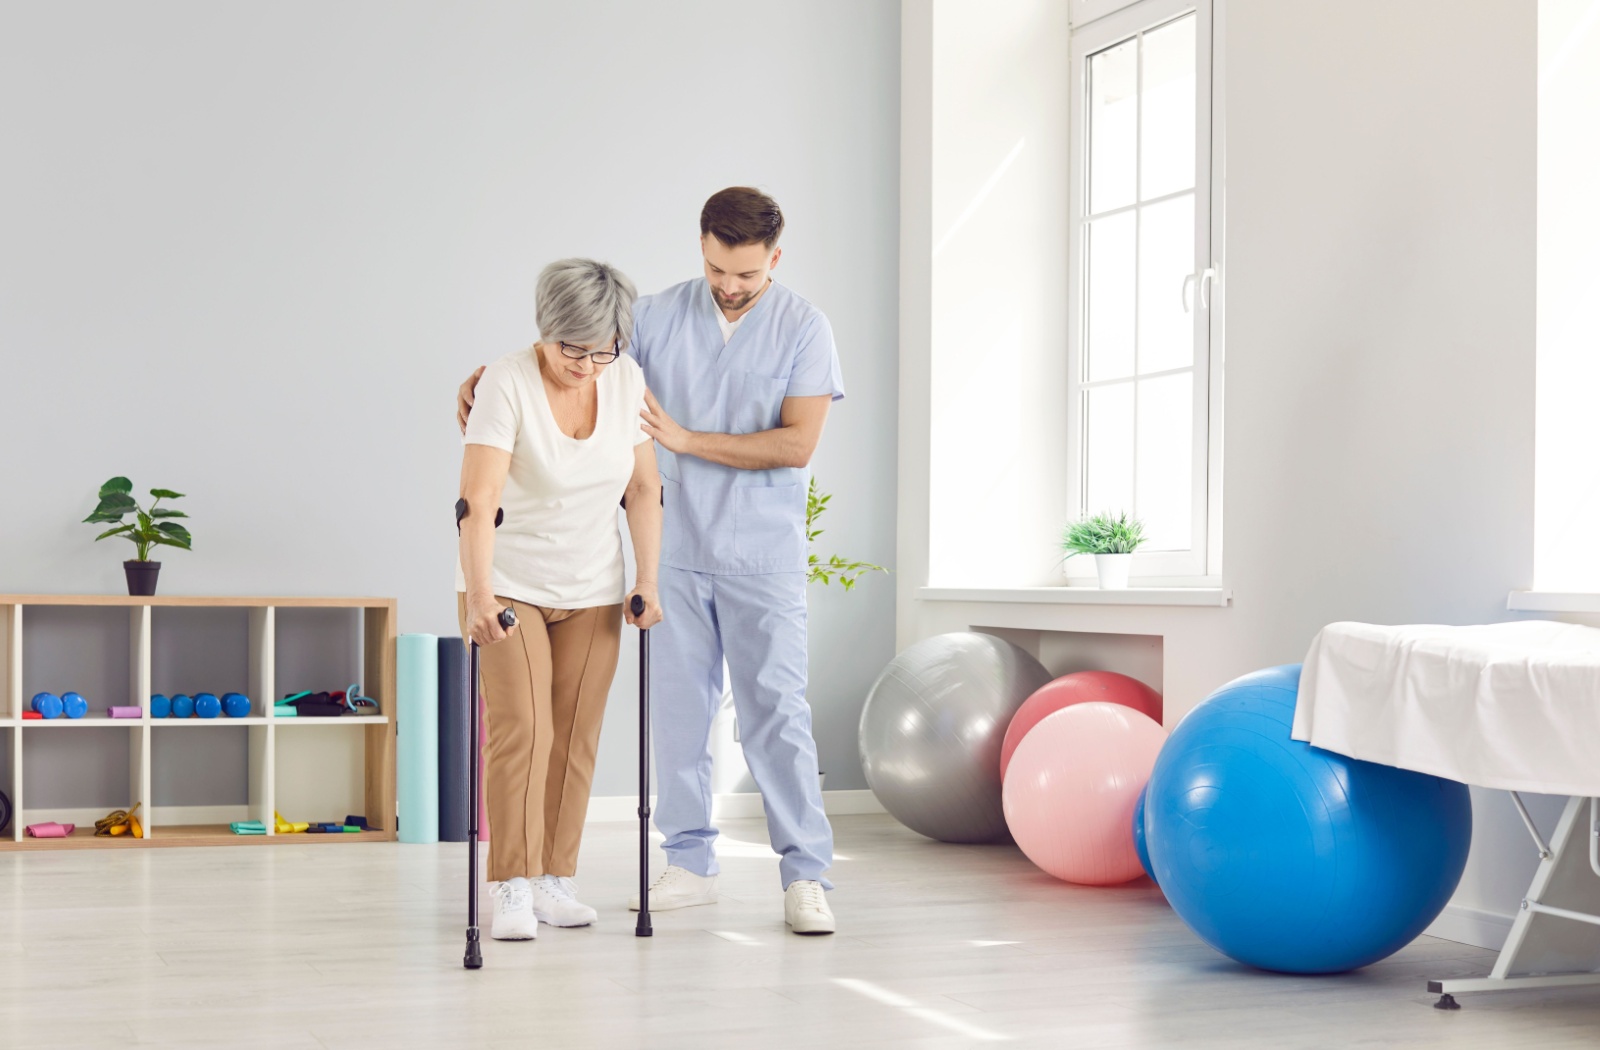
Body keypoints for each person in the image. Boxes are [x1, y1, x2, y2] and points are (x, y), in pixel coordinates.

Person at [458, 188, 843, 935]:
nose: (729, 287)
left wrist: (688, 440)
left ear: (775, 260)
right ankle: (690, 861)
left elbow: (797, 444)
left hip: (761, 555)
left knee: (776, 718)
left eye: (746, 276)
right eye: (716, 269)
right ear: (701, 247)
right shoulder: (659, 318)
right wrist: (482, 391)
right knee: (678, 718)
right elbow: (574, 361)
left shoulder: (804, 328)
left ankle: (805, 875)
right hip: (670, 556)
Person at [456, 258, 663, 942]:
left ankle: (553, 878)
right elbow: (479, 499)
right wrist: (480, 594)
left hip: (595, 584)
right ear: (546, 329)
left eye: (603, 349)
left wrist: (647, 579)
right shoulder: (504, 384)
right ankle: (510, 884)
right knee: (526, 730)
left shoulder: (626, 379)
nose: (587, 363)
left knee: (575, 738)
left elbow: (641, 489)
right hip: (509, 583)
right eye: (573, 347)